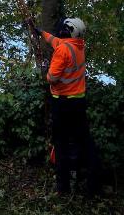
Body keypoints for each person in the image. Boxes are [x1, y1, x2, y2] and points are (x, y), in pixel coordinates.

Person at [27, 16, 100, 196]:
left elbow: (52, 78)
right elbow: (55, 41)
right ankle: (92, 183)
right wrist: (40, 33)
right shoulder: (77, 46)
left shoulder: (63, 52)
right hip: (78, 102)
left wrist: (46, 70)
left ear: (68, 31)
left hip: (63, 103)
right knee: (84, 141)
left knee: (61, 143)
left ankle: (63, 187)